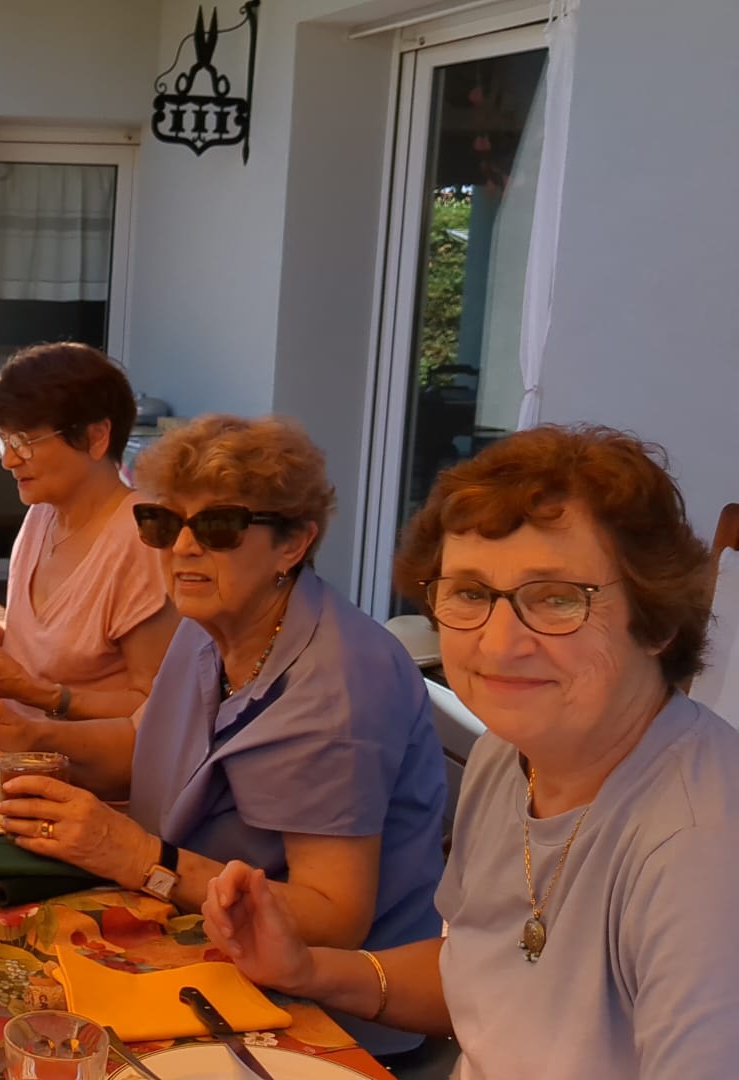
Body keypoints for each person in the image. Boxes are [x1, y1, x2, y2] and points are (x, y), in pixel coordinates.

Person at [201, 425, 739, 1076]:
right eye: (471, 593)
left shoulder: (701, 848)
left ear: (657, 621)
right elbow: (479, 975)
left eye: (557, 598)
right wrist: (306, 969)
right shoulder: (509, 756)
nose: (499, 643)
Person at [0, 415, 447, 1053]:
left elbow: (333, 918)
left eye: (219, 527)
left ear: (293, 543)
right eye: (164, 524)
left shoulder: (338, 684)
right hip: (197, 948)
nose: (184, 547)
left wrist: (141, 859)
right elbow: (145, 746)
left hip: (317, 1019)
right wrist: (29, 736)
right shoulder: (212, 623)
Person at [0, 343, 176, 719]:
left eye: (24, 442)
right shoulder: (42, 515)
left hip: (70, 757)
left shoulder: (143, 542)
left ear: (96, 437)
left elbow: (155, 711)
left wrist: (42, 697)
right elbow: (29, 664)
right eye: (2, 442)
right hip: (15, 744)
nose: (9, 460)